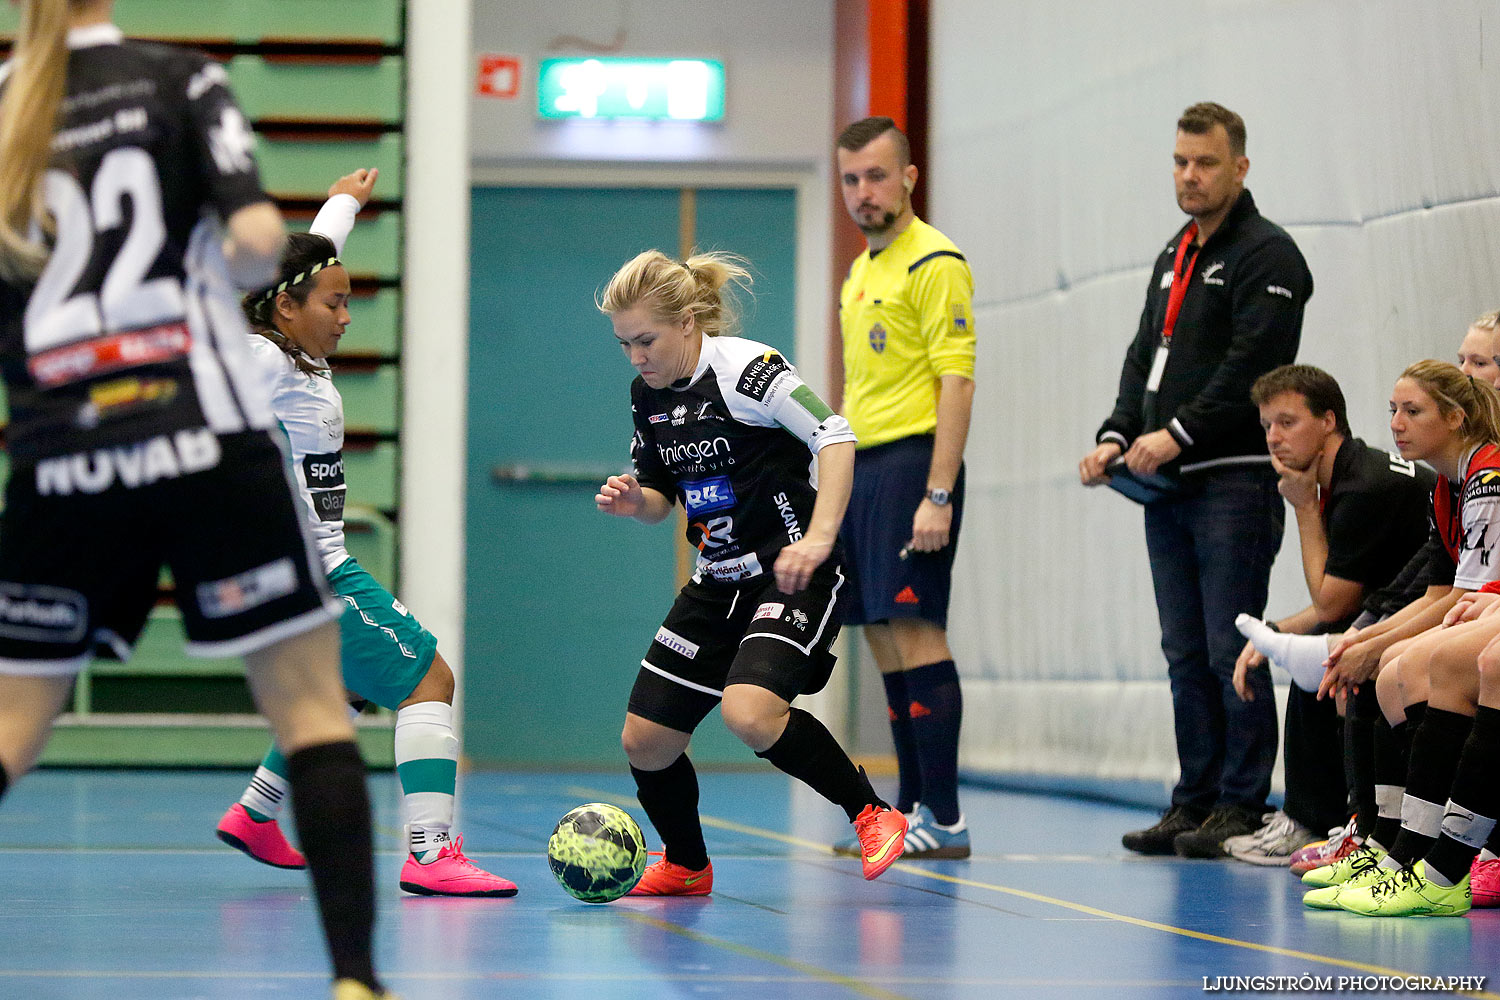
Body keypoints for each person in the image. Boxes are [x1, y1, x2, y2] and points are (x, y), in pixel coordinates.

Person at [0, 3, 388, 998]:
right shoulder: (180, 81)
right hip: (200, 432)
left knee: (10, 731)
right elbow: (263, 246)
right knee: (309, 709)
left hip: (62, 451)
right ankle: (355, 979)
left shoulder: (10, 107)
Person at [214, 171, 515, 898]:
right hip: (312, 573)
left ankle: (257, 811)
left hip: (314, 567)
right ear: (285, 307)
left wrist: (343, 204)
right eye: (334, 303)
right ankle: (429, 852)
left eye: (348, 300)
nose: (347, 316)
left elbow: (315, 255)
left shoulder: (297, 357)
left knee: (348, 688)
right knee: (427, 679)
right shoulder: (260, 359)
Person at [595, 249, 909, 893]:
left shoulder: (750, 370)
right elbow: (660, 497)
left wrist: (819, 539)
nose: (637, 357)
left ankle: (872, 813)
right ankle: (686, 864)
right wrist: (636, 502)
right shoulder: (645, 398)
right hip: (719, 580)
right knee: (645, 741)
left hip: (791, 571)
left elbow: (835, 435)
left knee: (750, 712)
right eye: (624, 344)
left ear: (687, 323)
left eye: (646, 340)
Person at [1078, 101, 1313, 858]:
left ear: (1239, 167)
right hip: (1173, 485)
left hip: (1235, 480)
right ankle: (1197, 799)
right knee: (1182, 650)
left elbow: (1252, 364)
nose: (1189, 175)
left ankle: (1243, 804)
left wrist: (1174, 433)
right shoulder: (1176, 253)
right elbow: (1144, 352)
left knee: (1227, 647)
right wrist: (1116, 435)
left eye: (1205, 163)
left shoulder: (1269, 257)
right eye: (1180, 162)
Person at [1295, 360, 1500, 911]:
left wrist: (1375, 643)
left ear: (1456, 418)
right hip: (1478, 607)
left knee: (1419, 667)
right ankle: (1398, 845)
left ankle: (1443, 858)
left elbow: (1469, 597)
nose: (1397, 423)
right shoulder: (1446, 488)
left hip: (1486, 609)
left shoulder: (1488, 474)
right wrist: (1366, 642)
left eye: (1413, 410)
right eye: (1392, 411)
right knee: (1390, 671)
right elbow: (1439, 595)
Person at [831, 116, 976, 859]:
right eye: (852, 179)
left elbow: (956, 379)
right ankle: (910, 808)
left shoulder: (934, 262)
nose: (864, 192)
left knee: (919, 634)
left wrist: (939, 492)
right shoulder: (861, 273)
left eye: (878, 176)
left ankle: (946, 820)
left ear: (910, 177)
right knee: (884, 639)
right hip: (865, 470)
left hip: (914, 465)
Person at [1224, 365, 1433, 866]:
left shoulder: (1362, 489)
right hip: (1394, 605)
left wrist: (1302, 509)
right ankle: (1324, 816)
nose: (1274, 437)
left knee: (1325, 654)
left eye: (1288, 422)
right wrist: (1275, 632)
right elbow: (1343, 599)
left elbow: (1330, 603)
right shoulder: (1352, 474)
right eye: (1267, 425)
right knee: (1318, 643)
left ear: (1328, 421)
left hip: (1431, 607)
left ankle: (1312, 820)